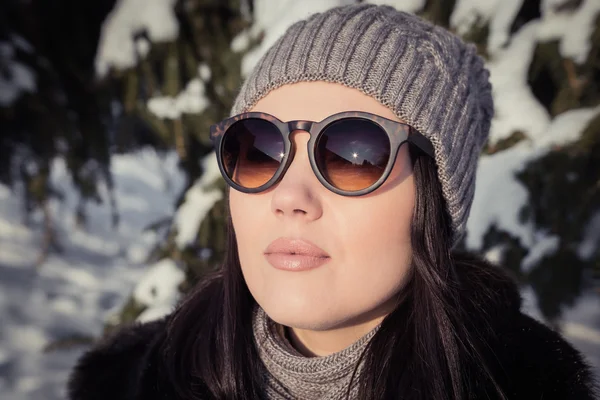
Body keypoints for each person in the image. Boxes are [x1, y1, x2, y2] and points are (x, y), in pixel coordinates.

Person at [67, 4, 598, 400]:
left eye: (353, 153)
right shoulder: (134, 380)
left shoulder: (528, 385)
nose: (290, 197)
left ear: (434, 200)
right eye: (258, 147)